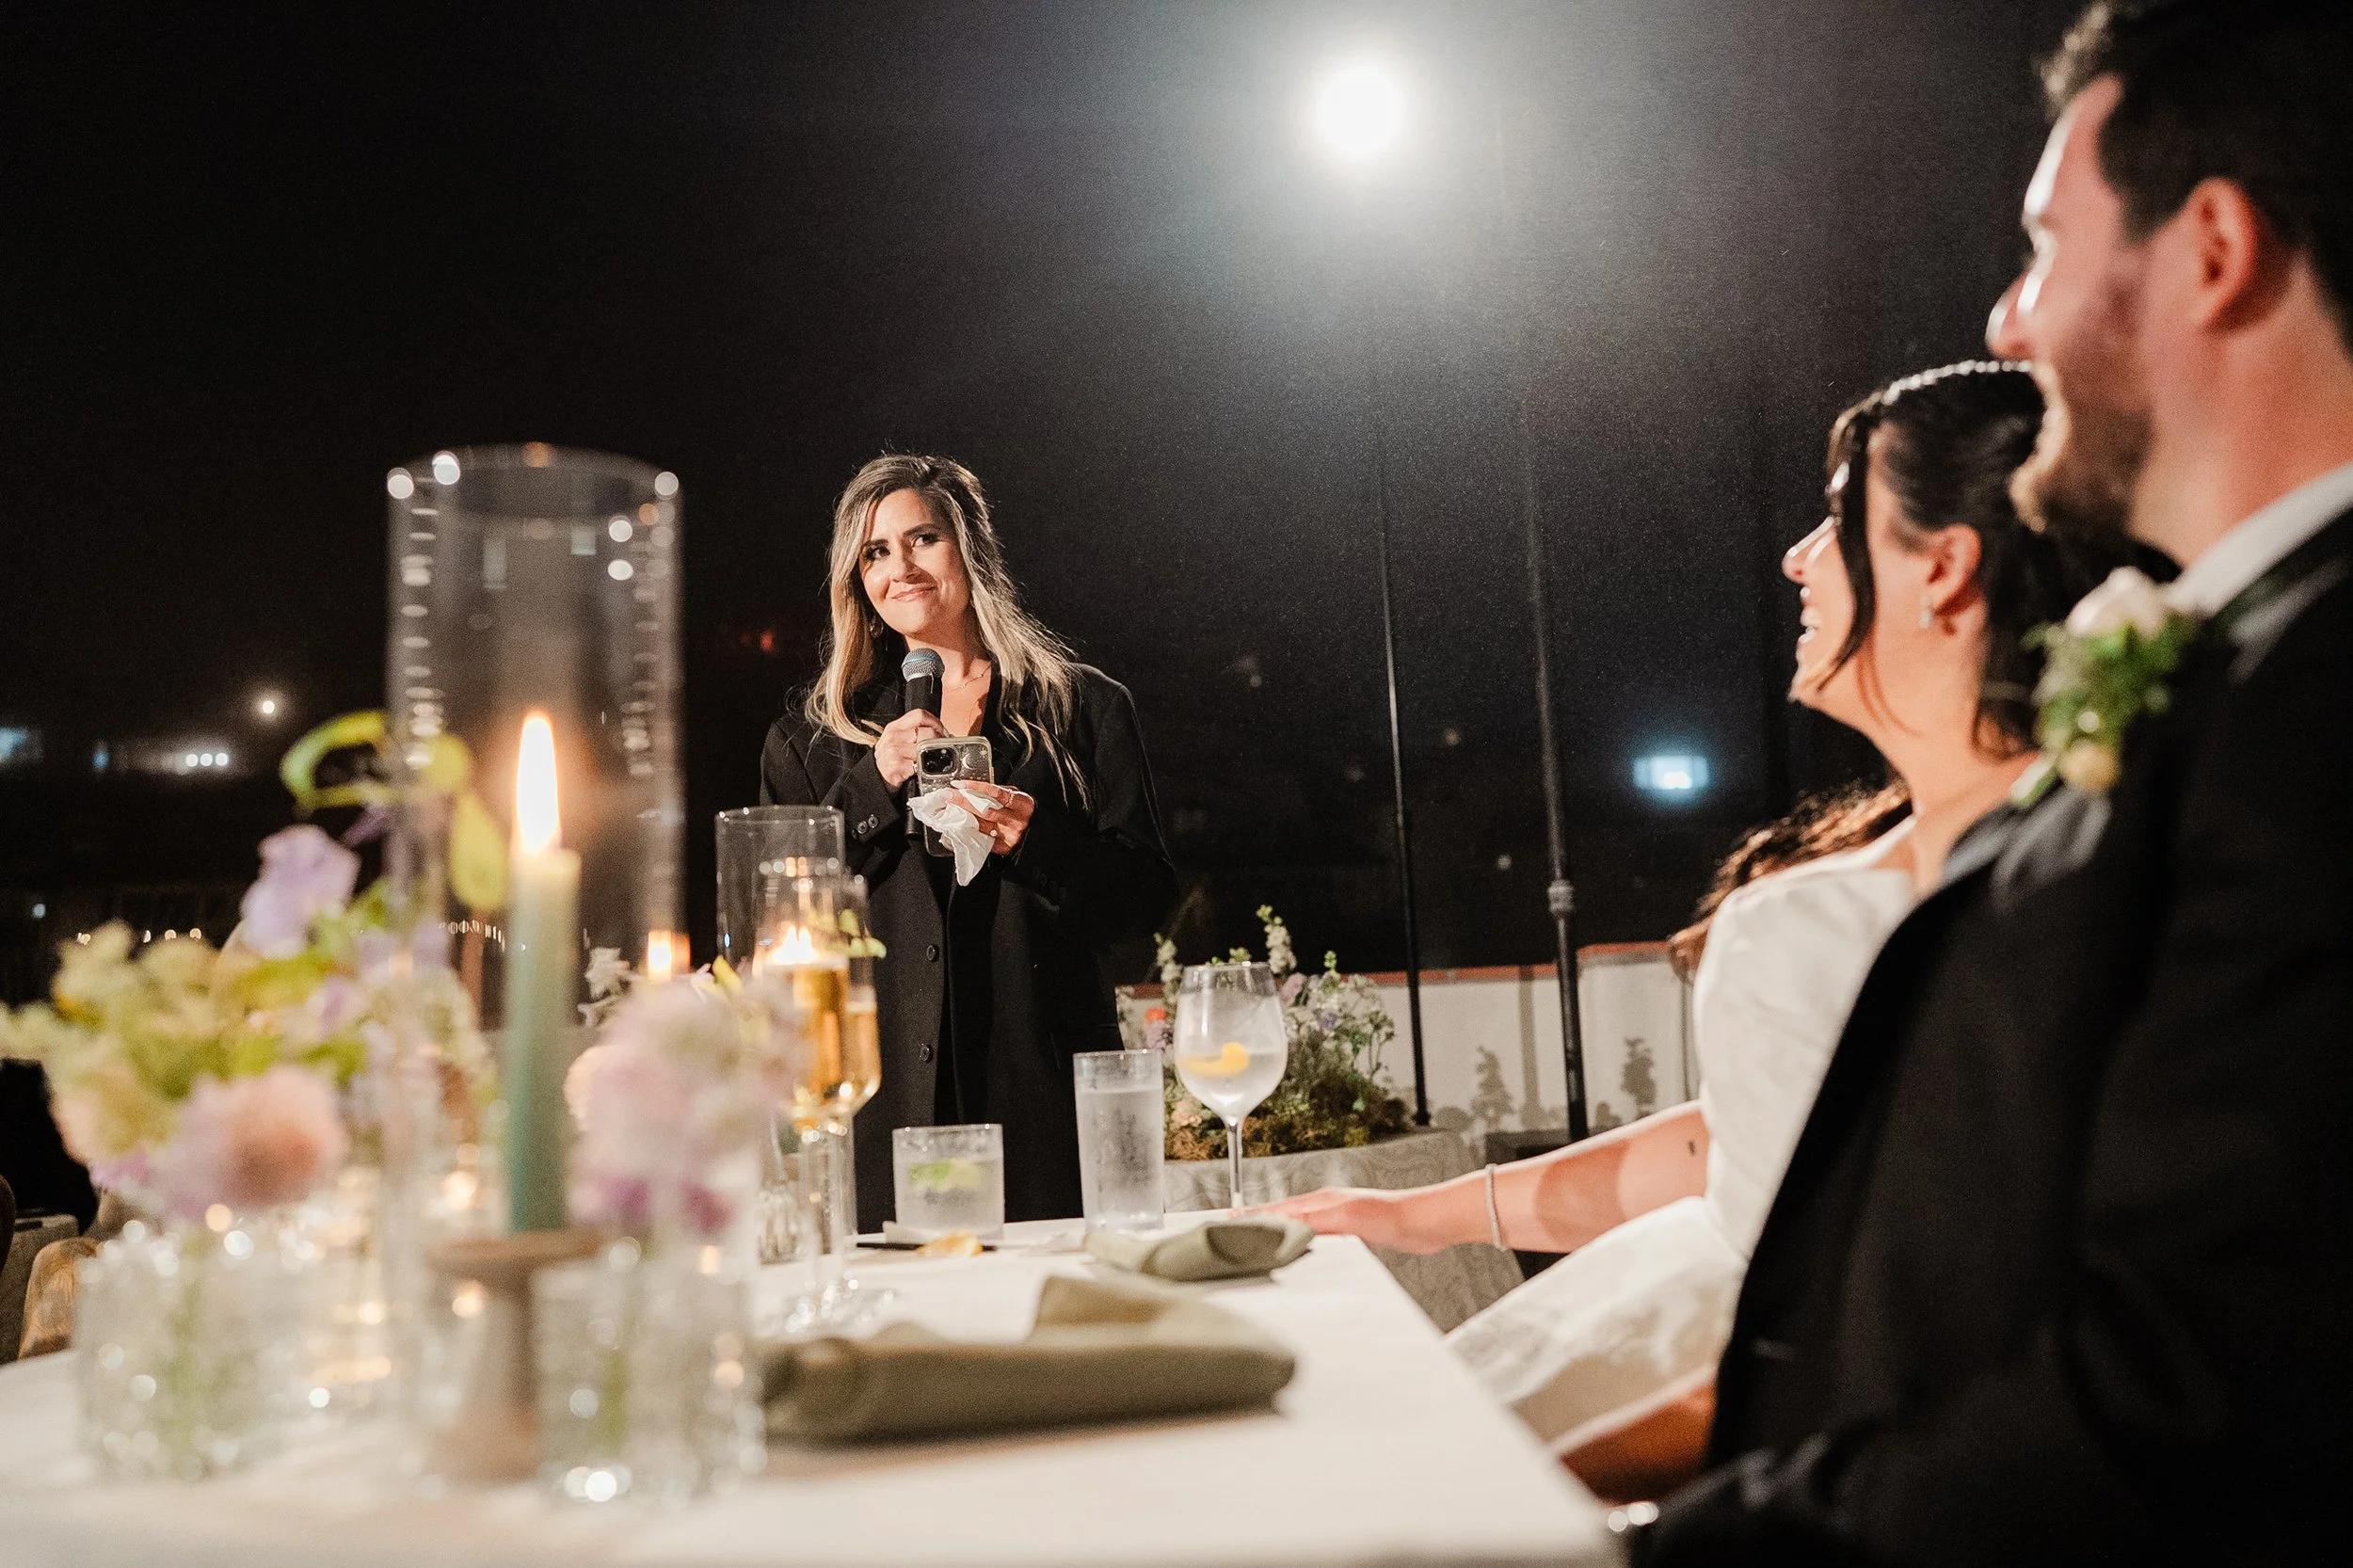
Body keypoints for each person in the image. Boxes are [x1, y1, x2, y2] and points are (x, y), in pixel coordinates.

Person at [1633, 3, 2353, 1560]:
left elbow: (2197, 1399)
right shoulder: (2243, 667)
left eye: (2045, 246)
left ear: (2212, 251)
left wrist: (1675, 1548)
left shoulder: (2311, 711)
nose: (2010, 320)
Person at [1266, 362, 2121, 1494]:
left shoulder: (2048, 878)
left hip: (1771, 1394)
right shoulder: (1894, 857)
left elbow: (1884, 1299)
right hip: (1677, 1304)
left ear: (1943, 568)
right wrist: (1414, 1216)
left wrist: (1537, 1495)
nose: (1796, 558)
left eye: (1835, 519)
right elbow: (1731, 1144)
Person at [760, 454, 1178, 1227]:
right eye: (875, 552)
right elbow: (779, 917)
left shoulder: (1082, 709)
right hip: (884, 1115)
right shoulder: (812, 743)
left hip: (1043, 1114)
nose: (901, 568)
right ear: (856, 579)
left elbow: (1142, 909)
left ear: (971, 548)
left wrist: (1035, 840)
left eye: (923, 539)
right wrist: (872, 787)